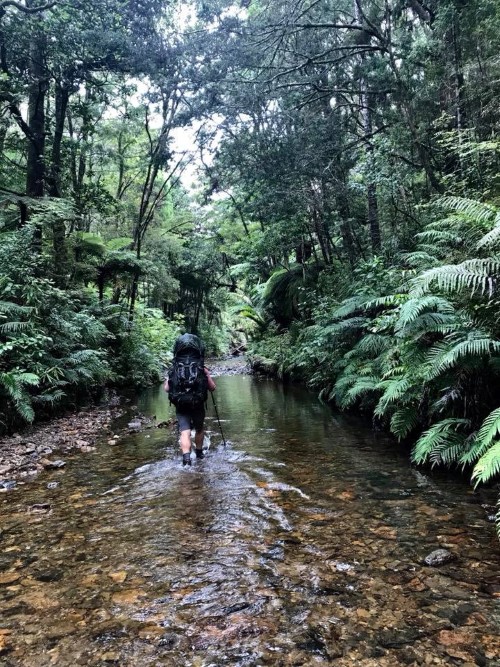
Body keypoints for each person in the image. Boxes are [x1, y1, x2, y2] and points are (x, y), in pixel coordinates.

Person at [163, 334, 216, 466]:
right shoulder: (201, 368)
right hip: (197, 404)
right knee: (199, 429)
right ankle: (199, 453)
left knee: (184, 431)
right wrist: (207, 376)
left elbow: (167, 389)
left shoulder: (174, 368)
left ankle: (186, 459)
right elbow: (212, 387)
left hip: (181, 405)